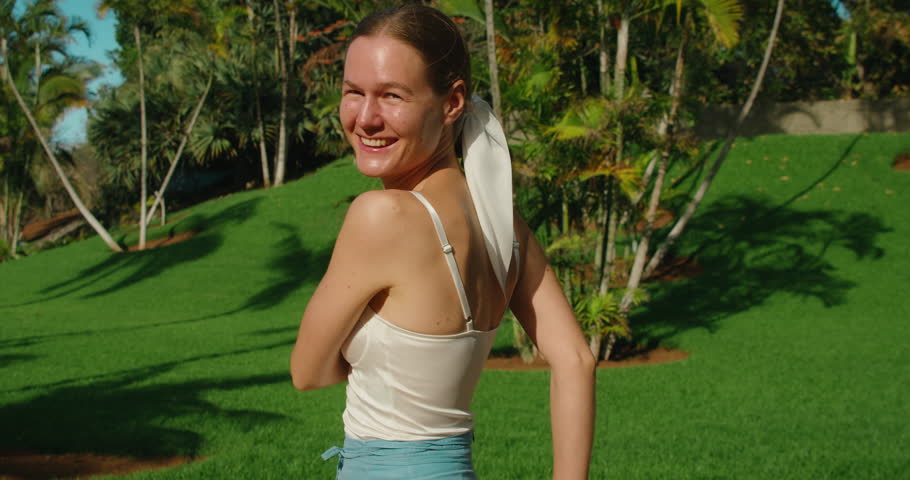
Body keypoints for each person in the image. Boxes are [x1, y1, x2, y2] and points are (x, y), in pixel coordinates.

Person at [290, 4, 595, 479]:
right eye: (354, 92)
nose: (366, 118)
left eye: (392, 95)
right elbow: (575, 359)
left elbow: (307, 373)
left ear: (452, 103)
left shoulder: (381, 216)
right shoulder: (502, 225)